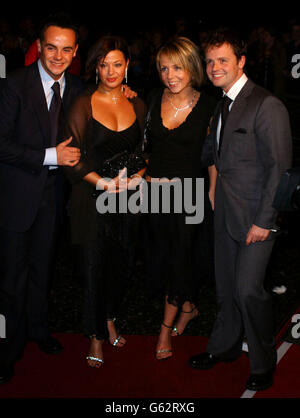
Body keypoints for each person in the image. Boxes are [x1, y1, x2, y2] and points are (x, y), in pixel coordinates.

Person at [189, 28, 292, 392]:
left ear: (241, 61)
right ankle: (224, 347)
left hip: (257, 218)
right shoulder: (221, 105)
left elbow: (280, 170)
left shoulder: (266, 104)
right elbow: (214, 157)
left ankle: (264, 362)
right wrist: (214, 187)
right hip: (225, 214)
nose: (215, 67)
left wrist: (265, 221)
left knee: (249, 290)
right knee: (226, 288)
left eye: (223, 60)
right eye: (211, 61)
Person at [0, 13, 83, 384]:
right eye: (51, 47)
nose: (58, 56)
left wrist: (125, 91)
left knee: (43, 271)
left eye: (66, 49)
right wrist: (50, 156)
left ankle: (38, 331)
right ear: (39, 47)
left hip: (54, 198)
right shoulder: (14, 85)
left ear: (75, 51)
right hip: (16, 198)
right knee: (11, 279)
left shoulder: (79, 88)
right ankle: (7, 349)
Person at [64, 35, 146, 368]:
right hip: (91, 198)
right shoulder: (83, 103)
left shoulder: (137, 104)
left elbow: (144, 151)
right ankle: (96, 334)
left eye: (117, 63)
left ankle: (110, 316)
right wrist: (104, 183)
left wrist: (139, 175)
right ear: (95, 67)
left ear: (127, 66)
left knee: (122, 266)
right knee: (93, 268)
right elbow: (73, 157)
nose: (110, 71)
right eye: (103, 64)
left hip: (128, 202)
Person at [142, 37, 216, 360]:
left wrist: (212, 191)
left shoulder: (210, 105)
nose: (170, 75)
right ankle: (188, 307)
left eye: (177, 67)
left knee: (178, 259)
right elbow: (145, 144)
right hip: (154, 197)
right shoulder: (152, 98)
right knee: (162, 258)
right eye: (164, 68)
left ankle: (163, 332)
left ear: (192, 67)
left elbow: (213, 155)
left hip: (189, 197)